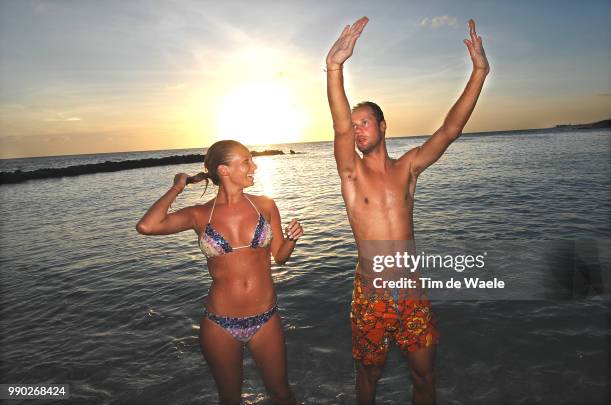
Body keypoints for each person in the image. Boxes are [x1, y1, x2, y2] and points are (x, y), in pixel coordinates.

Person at [326, 16, 490, 404]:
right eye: (354, 126)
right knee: (368, 374)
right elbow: (338, 127)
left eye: (364, 122)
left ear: (383, 126)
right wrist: (335, 67)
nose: (357, 130)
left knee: (424, 374)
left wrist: (480, 72)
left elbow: (450, 130)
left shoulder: (408, 169)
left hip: (413, 292)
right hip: (371, 294)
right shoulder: (351, 174)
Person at [136, 140, 303, 405]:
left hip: (266, 319)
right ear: (224, 170)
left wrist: (292, 240)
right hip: (219, 324)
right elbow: (147, 226)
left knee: (282, 394)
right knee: (229, 399)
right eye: (246, 161)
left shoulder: (265, 205)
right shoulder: (199, 215)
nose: (254, 166)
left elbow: (280, 257)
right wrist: (177, 187)